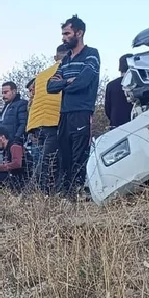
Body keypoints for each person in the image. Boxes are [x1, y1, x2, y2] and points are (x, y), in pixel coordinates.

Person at [47, 15, 101, 198]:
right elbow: (50, 86)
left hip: (82, 112)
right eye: (62, 34)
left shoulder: (92, 54)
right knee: (64, 157)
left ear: (79, 33)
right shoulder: (66, 60)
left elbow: (84, 82)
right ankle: (67, 197)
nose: (63, 37)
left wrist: (66, 82)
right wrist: (67, 81)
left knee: (80, 156)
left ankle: (81, 195)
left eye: (67, 33)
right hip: (64, 114)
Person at [28, 43, 72, 193]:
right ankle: (32, 193)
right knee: (49, 161)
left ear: (55, 57)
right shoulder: (66, 70)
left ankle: (47, 193)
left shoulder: (40, 75)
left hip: (36, 122)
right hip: (54, 121)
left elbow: (34, 99)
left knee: (44, 159)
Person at [105, 54, 134, 129]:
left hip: (116, 125)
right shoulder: (137, 84)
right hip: (135, 124)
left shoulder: (111, 85)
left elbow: (107, 109)